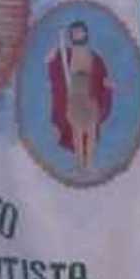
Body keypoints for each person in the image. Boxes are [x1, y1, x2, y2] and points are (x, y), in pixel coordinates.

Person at [46, 20, 113, 171]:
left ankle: (88, 164)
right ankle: (80, 164)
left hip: (90, 98)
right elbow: (53, 67)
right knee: (77, 132)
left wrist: (107, 85)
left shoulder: (94, 57)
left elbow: (101, 76)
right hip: (74, 97)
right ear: (71, 35)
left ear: (85, 33)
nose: (77, 34)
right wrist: (54, 53)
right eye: (74, 32)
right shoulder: (66, 54)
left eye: (80, 31)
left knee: (90, 131)